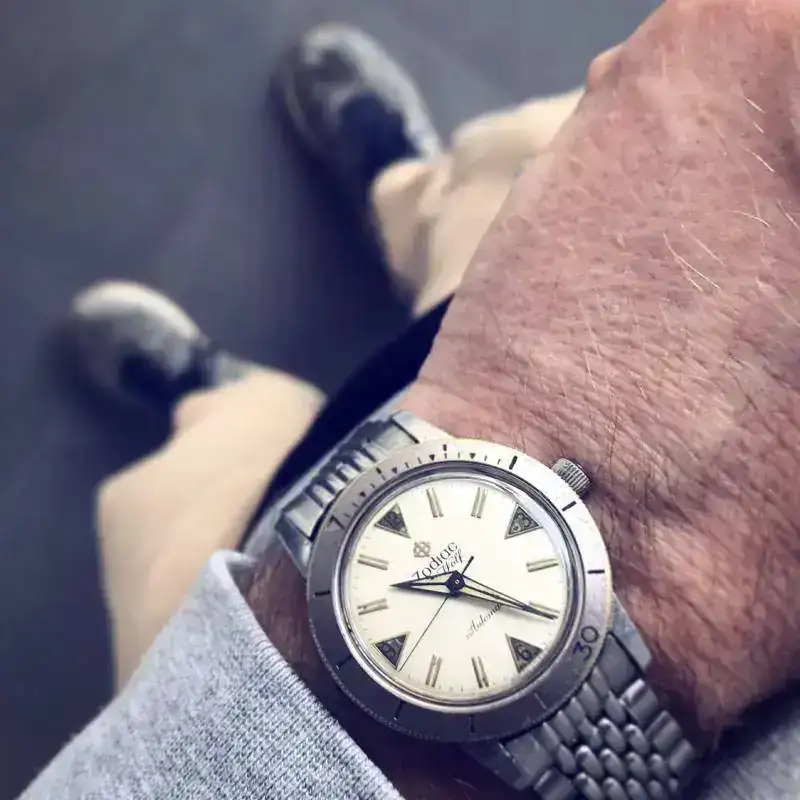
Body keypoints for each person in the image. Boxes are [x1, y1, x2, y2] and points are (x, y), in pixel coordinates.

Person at [19, 2, 800, 798]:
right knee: (493, 197)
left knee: (195, 501)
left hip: (262, 654)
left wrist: (655, 559)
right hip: (605, 279)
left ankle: (212, 397)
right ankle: (406, 197)